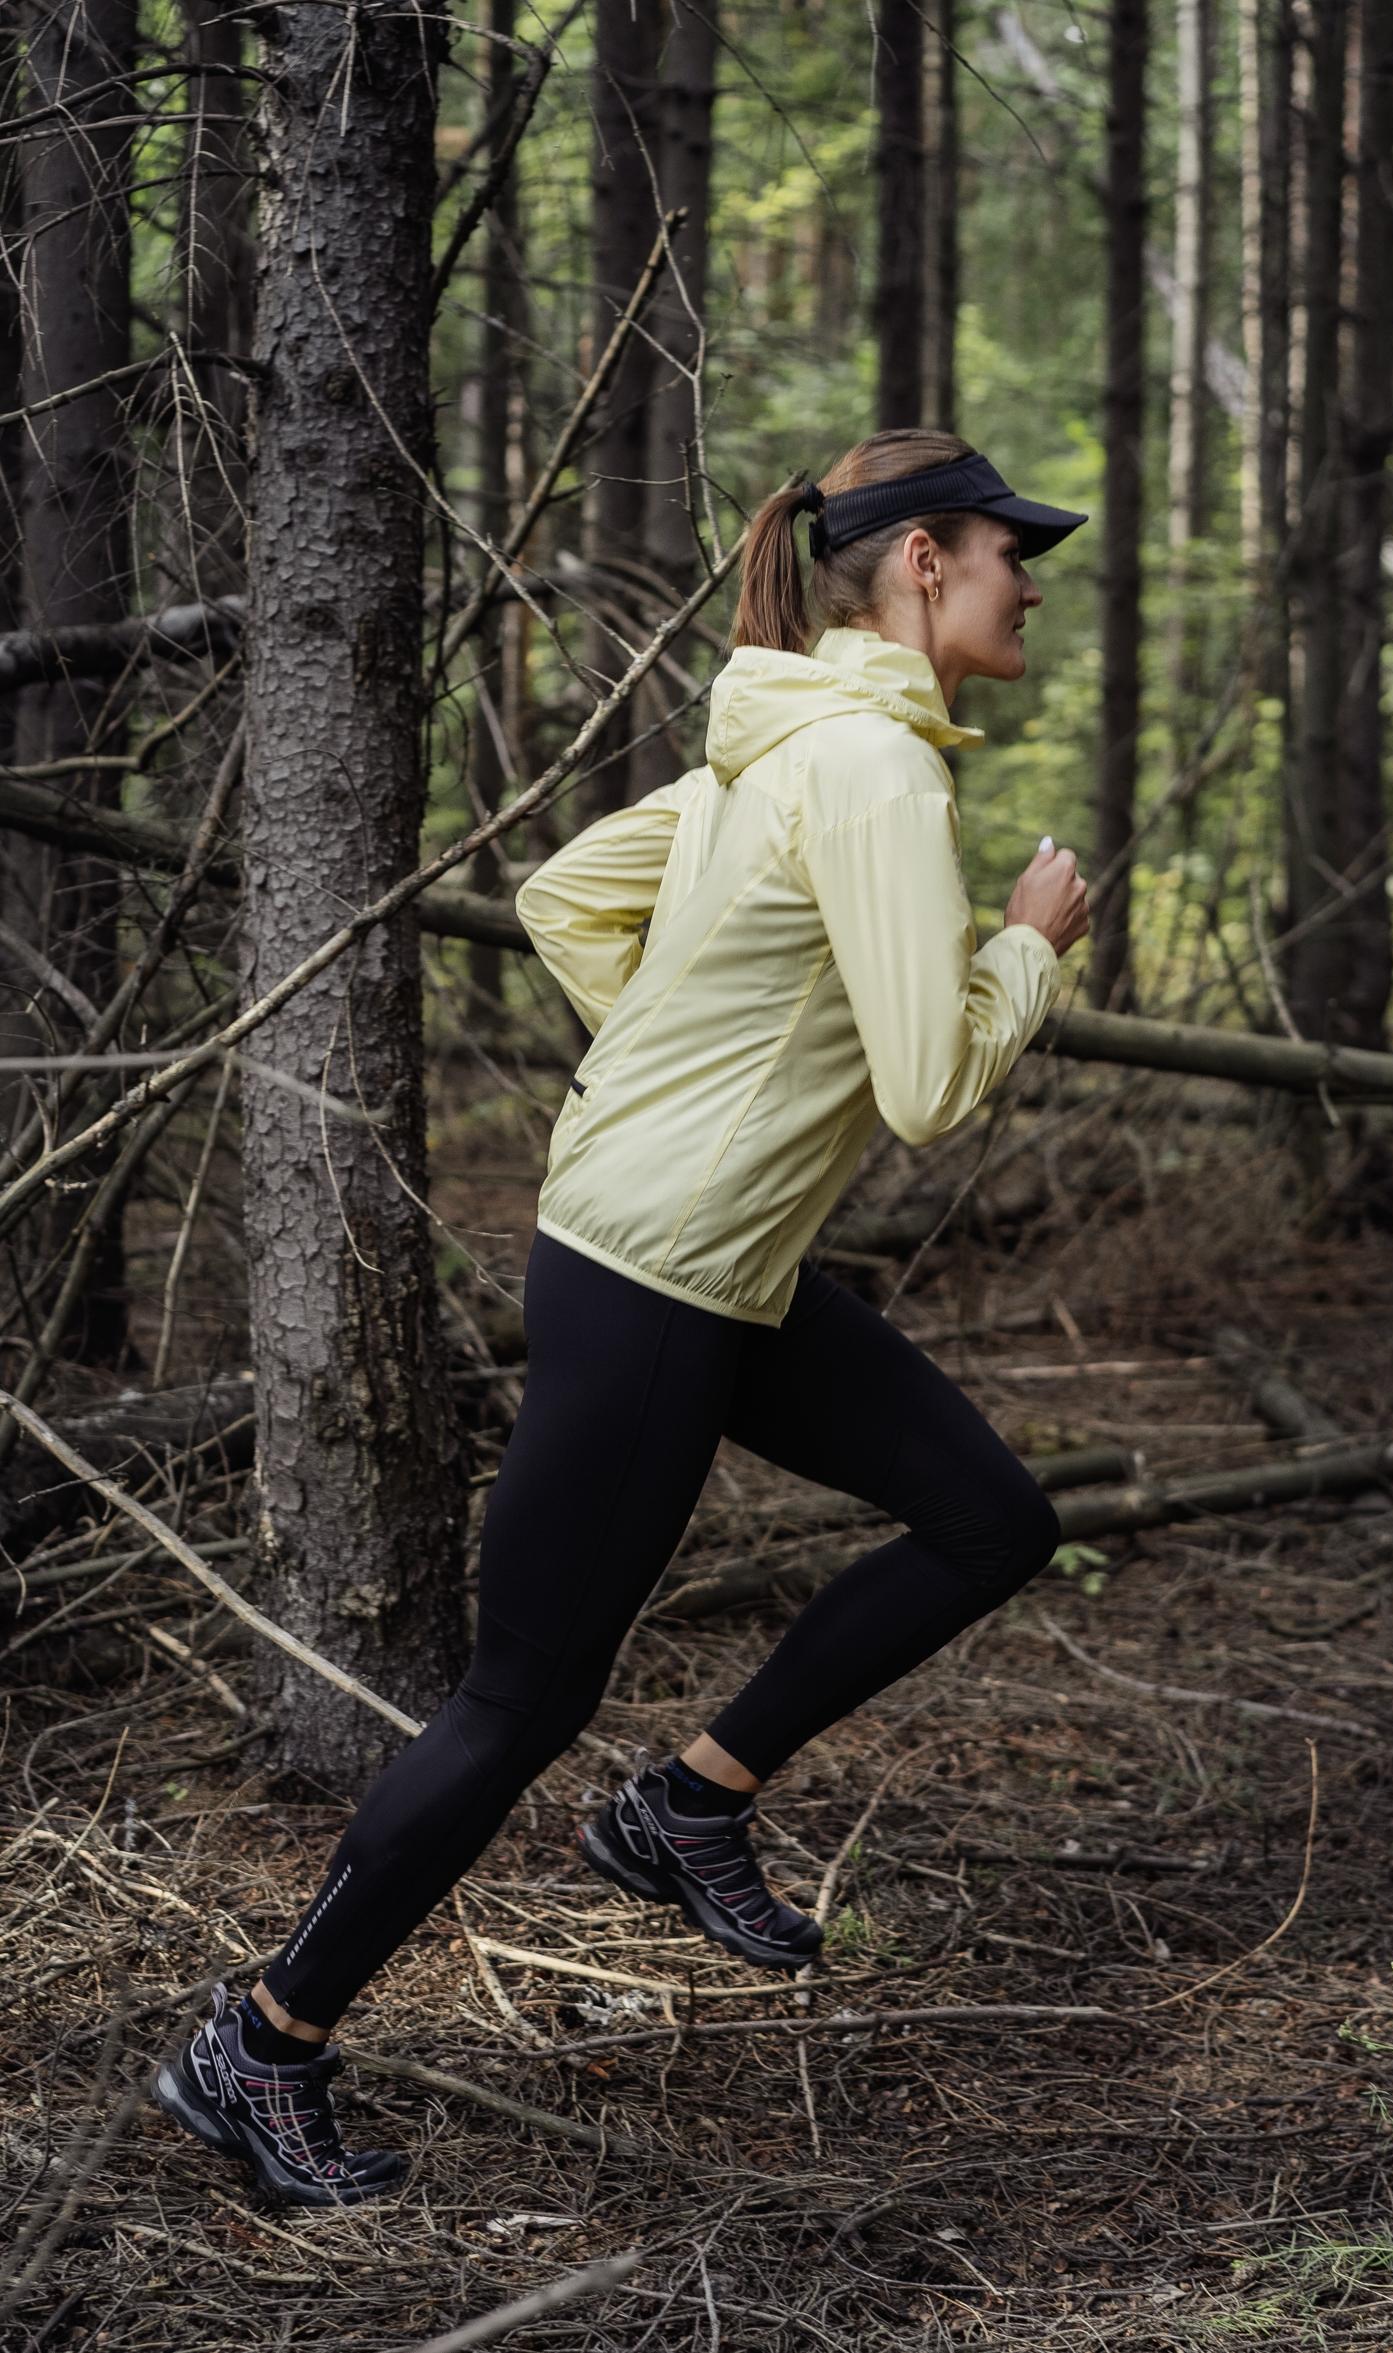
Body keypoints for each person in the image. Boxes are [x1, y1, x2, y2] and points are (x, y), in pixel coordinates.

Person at [152, 428, 1091, 2205]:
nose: (1025, 581)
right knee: (517, 1698)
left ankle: (692, 1801)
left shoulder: (780, 738)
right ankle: (262, 2042)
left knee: (991, 1517)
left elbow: (566, 896)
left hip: (695, 1255)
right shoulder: (872, 771)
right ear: (915, 565)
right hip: (662, 1277)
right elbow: (927, 1083)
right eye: (1003, 552)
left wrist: (677, 1066)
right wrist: (1029, 942)